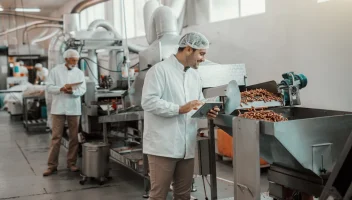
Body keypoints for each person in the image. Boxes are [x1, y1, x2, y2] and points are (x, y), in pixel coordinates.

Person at [141, 32, 220, 200]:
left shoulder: (194, 75)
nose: (203, 58)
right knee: (158, 195)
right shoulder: (159, 71)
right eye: (201, 53)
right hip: (163, 146)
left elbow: (197, 103)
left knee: (184, 195)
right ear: (189, 49)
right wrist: (179, 109)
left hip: (186, 146)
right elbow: (148, 102)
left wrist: (207, 111)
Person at [43, 49, 86, 176]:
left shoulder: (79, 73)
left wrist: (73, 91)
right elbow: (49, 87)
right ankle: (52, 166)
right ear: (66, 59)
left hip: (73, 107)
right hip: (58, 108)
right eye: (73, 60)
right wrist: (60, 89)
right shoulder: (55, 71)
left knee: (74, 137)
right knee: (56, 137)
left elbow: (82, 89)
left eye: (77, 60)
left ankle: (71, 163)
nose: (75, 63)